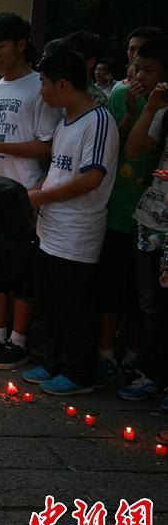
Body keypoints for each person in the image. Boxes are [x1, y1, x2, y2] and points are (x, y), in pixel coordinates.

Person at [0, 12, 61, 370]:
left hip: (23, 190)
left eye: (0, 46)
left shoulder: (40, 87)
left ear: (21, 45)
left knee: (22, 268)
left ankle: (19, 340)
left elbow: (46, 146)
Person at [19, 50, 118, 395]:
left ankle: (80, 373)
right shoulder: (66, 121)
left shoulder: (98, 121)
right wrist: (38, 192)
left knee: (75, 304)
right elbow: (60, 171)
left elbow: (91, 178)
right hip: (51, 228)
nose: (42, 91)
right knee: (53, 301)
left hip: (78, 231)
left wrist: (41, 197)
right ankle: (54, 362)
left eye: (44, 83)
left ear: (63, 83)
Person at [98, 28, 163, 381]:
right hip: (121, 206)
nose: (137, 74)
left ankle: (139, 357)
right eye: (133, 59)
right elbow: (122, 145)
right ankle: (107, 353)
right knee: (112, 283)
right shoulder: (122, 95)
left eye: (146, 67)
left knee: (145, 296)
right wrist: (137, 111)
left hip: (153, 214)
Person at [119, 43, 168, 411]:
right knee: (150, 302)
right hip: (154, 217)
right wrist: (149, 107)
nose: (140, 78)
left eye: (148, 70)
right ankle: (153, 374)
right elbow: (134, 150)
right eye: (136, 70)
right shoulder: (159, 110)